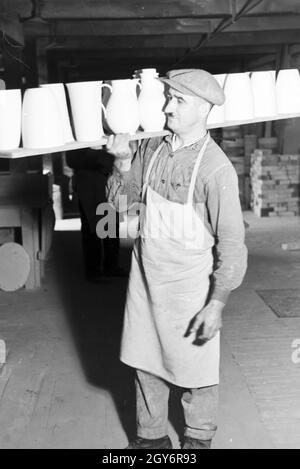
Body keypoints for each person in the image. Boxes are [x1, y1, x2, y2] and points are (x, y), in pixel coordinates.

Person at [105, 69, 248, 449]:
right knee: (145, 361)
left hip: (189, 288)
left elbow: (232, 244)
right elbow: (121, 208)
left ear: (203, 109)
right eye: (168, 97)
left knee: (196, 375)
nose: (167, 107)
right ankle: (150, 441)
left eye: (178, 101)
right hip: (146, 278)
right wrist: (121, 163)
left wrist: (216, 304)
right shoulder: (150, 148)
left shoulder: (216, 169)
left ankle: (197, 442)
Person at [66, 148, 126, 282]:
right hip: (89, 183)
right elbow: (71, 159)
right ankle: (93, 272)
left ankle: (111, 266)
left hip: (108, 182)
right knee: (91, 229)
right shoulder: (79, 134)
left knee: (111, 227)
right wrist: (98, 159)